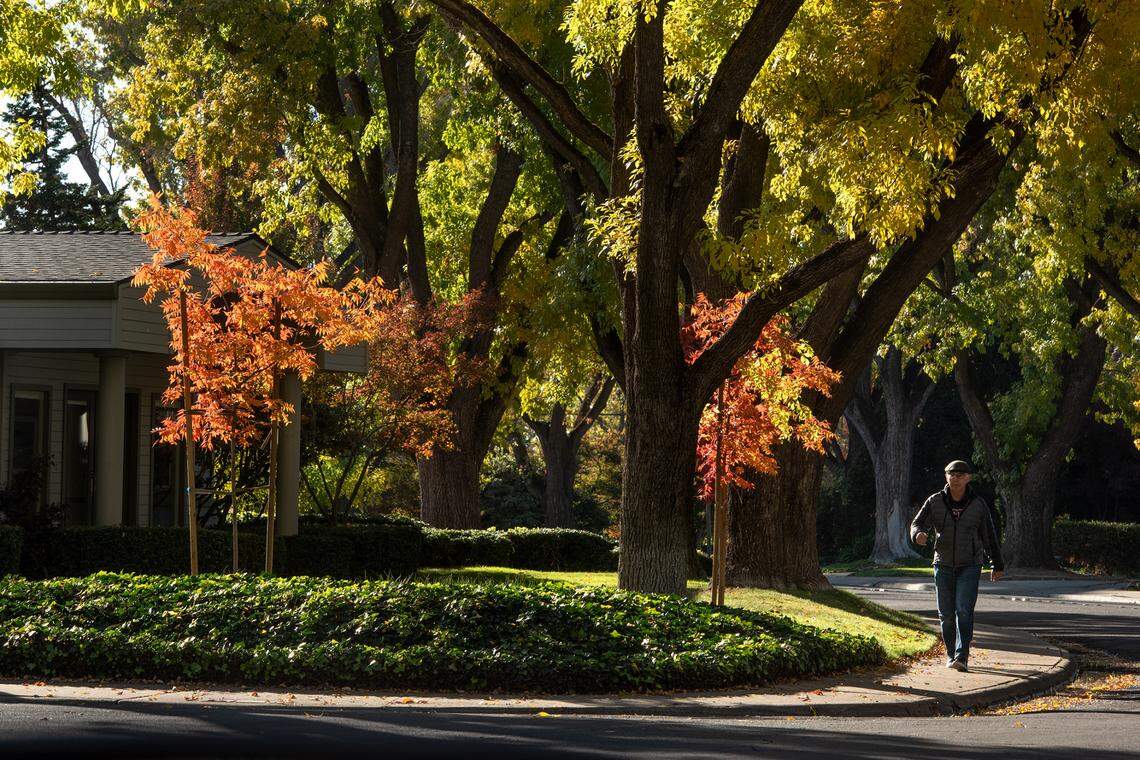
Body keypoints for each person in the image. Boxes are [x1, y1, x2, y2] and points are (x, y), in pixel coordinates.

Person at [910, 460, 1004, 672]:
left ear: (968, 478)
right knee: (946, 614)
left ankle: (962, 656)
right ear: (946, 477)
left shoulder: (978, 504)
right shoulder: (934, 501)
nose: (956, 477)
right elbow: (916, 523)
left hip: (970, 564)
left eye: (961, 475)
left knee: (963, 609)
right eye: (952, 474)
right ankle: (951, 654)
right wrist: (918, 535)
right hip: (942, 564)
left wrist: (996, 564)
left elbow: (989, 536)